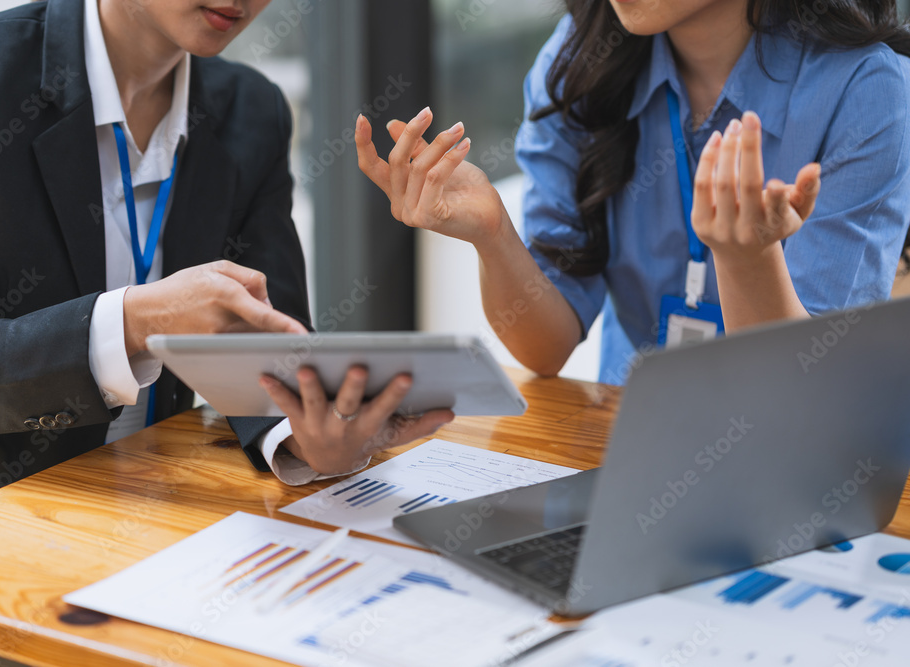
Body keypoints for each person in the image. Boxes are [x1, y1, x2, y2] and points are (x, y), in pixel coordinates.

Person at [0, 0, 451, 522]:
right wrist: (136, 322)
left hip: (170, 501)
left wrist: (307, 437)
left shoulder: (251, 109)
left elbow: (274, 343)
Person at [356, 0, 910, 385]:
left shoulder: (866, 90)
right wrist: (493, 236)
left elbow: (812, 394)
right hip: (623, 453)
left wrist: (748, 261)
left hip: (788, 470)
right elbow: (546, 350)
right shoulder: (576, 68)